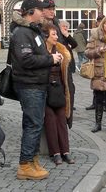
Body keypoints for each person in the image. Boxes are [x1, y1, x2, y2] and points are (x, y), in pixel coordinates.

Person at [11, 0, 62, 180]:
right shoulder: (22, 33)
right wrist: (50, 59)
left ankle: (32, 160)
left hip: (37, 85)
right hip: (29, 85)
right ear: (31, 11)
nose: (43, 13)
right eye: (41, 10)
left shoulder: (34, 31)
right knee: (33, 125)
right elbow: (26, 60)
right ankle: (25, 165)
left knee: (33, 124)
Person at [42, 23, 75, 165]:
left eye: (56, 34)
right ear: (46, 36)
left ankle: (65, 152)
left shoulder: (62, 50)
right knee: (50, 121)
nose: (56, 37)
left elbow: (68, 72)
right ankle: (55, 153)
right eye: (53, 34)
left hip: (59, 89)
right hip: (45, 89)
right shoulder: (41, 51)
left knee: (61, 120)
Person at [42, 0, 77, 128]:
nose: (52, 11)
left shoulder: (57, 23)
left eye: (53, 9)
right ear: (42, 10)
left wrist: (66, 35)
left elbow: (72, 44)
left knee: (68, 93)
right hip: (50, 68)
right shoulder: (41, 25)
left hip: (63, 67)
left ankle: (62, 125)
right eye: (49, 9)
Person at [86, 14, 105, 111]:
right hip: (96, 64)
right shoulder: (94, 34)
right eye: (100, 22)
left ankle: (104, 104)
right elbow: (88, 51)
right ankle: (95, 103)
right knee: (96, 86)